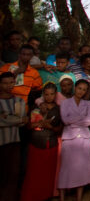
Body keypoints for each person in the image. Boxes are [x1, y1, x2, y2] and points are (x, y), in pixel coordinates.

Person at [21, 82, 62, 201]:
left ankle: (46, 196)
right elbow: (28, 125)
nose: (49, 96)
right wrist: (38, 123)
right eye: (47, 94)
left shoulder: (57, 109)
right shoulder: (35, 107)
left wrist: (50, 126)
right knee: (34, 174)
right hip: (35, 143)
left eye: (52, 94)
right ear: (43, 94)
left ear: (55, 95)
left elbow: (59, 128)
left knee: (47, 174)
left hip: (50, 143)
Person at [57, 79, 90, 201]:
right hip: (69, 137)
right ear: (75, 88)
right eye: (79, 88)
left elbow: (89, 121)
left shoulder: (88, 104)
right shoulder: (65, 103)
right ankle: (62, 197)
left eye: (84, 90)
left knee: (82, 168)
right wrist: (81, 118)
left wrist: (74, 120)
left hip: (84, 137)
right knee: (66, 167)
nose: (81, 92)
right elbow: (65, 120)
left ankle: (79, 197)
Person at [0, 71, 27, 201]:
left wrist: (5, 118)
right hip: (1, 143)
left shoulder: (18, 101)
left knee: (13, 174)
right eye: (5, 83)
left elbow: (23, 121)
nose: (9, 85)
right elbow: (20, 120)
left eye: (11, 82)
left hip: (14, 142)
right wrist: (17, 120)